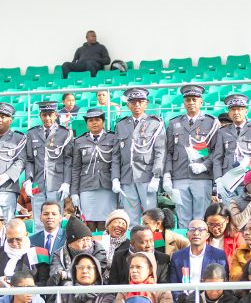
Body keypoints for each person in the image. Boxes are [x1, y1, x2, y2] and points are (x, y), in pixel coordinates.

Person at [164, 85, 220, 228]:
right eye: (188, 100)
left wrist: (204, 166)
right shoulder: (174, 122)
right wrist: (167, 175)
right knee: (183, 218)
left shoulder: (211, 122)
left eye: (194, 99)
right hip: (179, 175)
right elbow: (169, 151)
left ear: (201, 102)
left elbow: (216, 151)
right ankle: (185, 249)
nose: (191, 103)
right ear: (184, 103)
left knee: (201, 218)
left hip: (202, 177)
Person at [111, 88, 166, 228]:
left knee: (151, 217)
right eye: (133, 102)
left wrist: (156, 176)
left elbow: (160, 151)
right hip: (127, 176)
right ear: (128, 105)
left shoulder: (155, 123)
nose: (137, 105)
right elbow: (116, 154)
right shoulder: (121, 124)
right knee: (130, 218)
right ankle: (133, 248)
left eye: (140, 102)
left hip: (146, 175)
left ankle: (153, 247)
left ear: (146, 104)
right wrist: (115, 178)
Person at [25, 101, 73, 231]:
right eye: (44, 114)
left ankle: (56, 249)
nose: (47, 118)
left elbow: (68, 160)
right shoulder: (32, 133)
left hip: (56, 182)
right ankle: (41, 250)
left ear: (56, 114)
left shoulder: (65, 133)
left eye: (50, 114)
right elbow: (29, 159)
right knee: (39, 219)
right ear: (40, 115)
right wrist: (28, 180)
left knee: (55, 218)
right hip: (37, 182)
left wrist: (66, 183)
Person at [213, 94, 251, 205]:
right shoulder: (223, 131)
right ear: (229, 113)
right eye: (233, 109)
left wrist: (246, 166)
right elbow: (218, 158)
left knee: (250, 213)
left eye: (239, 109)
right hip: (228, 180)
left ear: (246, 111)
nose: (236, 112)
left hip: (250, 179)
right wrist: (218, 179)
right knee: (230, 214)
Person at [71, 108, 117, 232]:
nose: (94, 123)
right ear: (87, 124)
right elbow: (76, 168)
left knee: (106, 223)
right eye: (90, 120)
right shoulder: (79, 141)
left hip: (107, 186)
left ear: (103, 122)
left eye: (97, 119)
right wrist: (74, 192)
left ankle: (105, 251)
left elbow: (117, 162)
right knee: (88, 224)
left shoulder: (112, 138)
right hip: (87, 186)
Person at [169, 219, 229, 300]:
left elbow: (224, 283)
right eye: (192, 229)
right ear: (187, 234)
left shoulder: (218, 255)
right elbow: (174, 286)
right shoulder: (177, 256)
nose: (196, 233)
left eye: (201, 230)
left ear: (207, 235)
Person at [0, 219, 49, 289]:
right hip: (1, 297)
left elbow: (44, 282)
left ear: (26, 235)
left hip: (29, 297)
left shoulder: (39, 253)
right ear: (6, 236)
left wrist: (25, 288)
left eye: (18, 239)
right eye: (10, 240)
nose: (14, 243)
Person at [49, 216, 107, 286]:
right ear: (70, 244)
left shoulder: (99, 250)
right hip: (68, 291)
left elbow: (96, 273)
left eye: (88, 240)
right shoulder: (59, 254)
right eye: (81, 241)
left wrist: (66, 274)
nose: (86, 244)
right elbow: (56, 275)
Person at [204, 203, 245, 267]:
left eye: (219, 224)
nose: (215, 228)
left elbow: (242, 262)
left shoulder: (236, 238)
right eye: (211, 224)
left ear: (227, 220)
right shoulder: (202, 238)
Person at [103, 209, 131, 275]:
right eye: (117, 222)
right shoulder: (98, 241)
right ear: (108, 225)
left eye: (123, 224)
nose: (120, 226)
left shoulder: (129, 245)